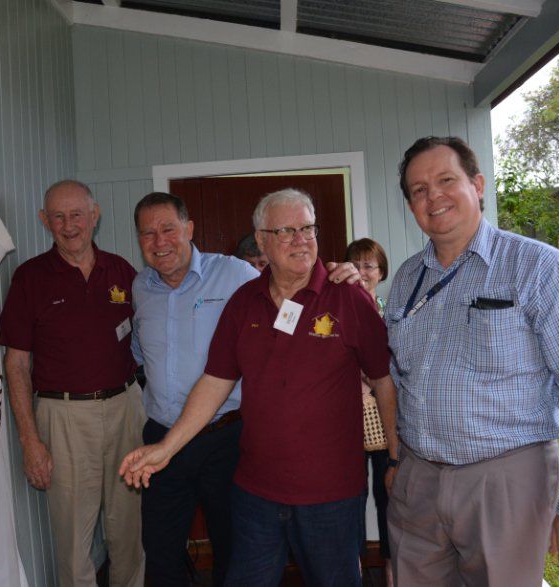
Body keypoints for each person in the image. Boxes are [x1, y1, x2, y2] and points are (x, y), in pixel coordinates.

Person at [385, 136, 559, 585]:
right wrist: (399, 464)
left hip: (505, 482)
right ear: (410, 205)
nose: (433, 196)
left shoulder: (538, 268)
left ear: (477, 184)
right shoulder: (407, 278)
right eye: (418, 190)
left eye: (446, 180)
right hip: (419, 481)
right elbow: (400, 376)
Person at [121, 188, 399, 586]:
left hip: (331, 495)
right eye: (286, 231)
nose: (301, 240)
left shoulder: (348, 297)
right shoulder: (243, 301)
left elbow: (384, 381)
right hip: (257, 494)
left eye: (307, 228)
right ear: (262, 240)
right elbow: (215, 381)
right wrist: (164, 448)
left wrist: (395, 458)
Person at [0, 180, 145, 587]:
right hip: (62, 417)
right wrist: (30, 441)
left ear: (94, 216)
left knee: (129, 532)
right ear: (44, 221)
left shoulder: (122, 271)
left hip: (125, 408)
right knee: (73, 541)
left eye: (77, 214)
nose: (69, 225)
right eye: (58, 217)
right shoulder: (30, 279)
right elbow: (16, 365)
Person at [344, 237, 393, 585]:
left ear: (381, 271)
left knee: (389, 498)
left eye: (369, 266)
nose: (362, 273)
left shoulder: (393, 311)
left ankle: (391, 569)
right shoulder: (338, 312)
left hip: (387, 422)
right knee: (350, 499)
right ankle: (354, 568)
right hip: (346, 423)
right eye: (356, 265)